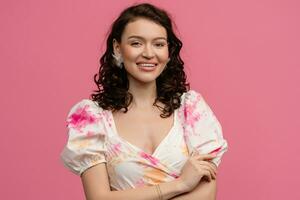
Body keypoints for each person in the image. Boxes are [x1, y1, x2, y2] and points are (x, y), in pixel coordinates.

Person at [60, 3, 228, 200]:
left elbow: (206, 194)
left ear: (168, 51)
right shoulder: (92, 119)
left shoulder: (191, 110)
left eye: (158, 44)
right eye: (136, 43)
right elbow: (98, 198)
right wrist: (181, 184)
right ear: (117, 47)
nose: (149, 53)